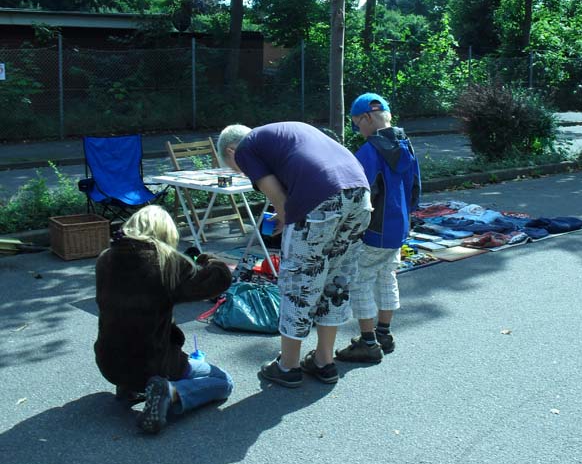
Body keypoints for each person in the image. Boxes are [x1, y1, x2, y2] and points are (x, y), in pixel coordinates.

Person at [217, 121, 371, 388]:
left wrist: (287, 216)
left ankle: (288, 366)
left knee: (298, 282)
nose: (242, 172)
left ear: (231, 151)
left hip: (321, 200)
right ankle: (324, 361)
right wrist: (287, 215)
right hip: (359, 196)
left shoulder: (245, 149)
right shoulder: (285, 133)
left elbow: (279, 198)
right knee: (335, 281)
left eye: (236, 169)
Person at [94, 205, 233, 435]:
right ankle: (171, 392)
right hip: (153, 365)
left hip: (109, 363)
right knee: (223, 381)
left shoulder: (105, 259)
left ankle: (130, 387)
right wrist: (211, 261)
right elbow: (216, 282)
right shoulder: (166, 262)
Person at [335, 93, 421, 364]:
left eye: (356, 124)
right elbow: (415, 187)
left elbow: (357, 195)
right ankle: (384, 333)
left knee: (360, 281)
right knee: (387, 276)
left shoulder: (369, 152)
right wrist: (406, 217)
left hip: (373, 230)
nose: (358, 131)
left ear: (367, 118)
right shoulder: (406, 144)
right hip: (398, 227)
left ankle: (368, 342)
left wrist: (345, 227)